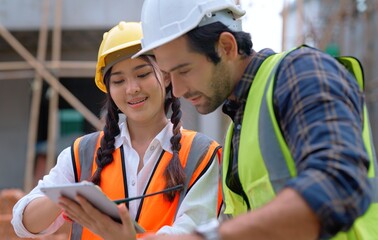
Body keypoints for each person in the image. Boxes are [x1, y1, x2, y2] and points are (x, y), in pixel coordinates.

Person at [131, 0, 378, 239]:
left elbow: (338, 183)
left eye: (184, 70)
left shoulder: (301, 72)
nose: (177, 90)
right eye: (168, 74)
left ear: (226, 47)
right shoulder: (240, 124)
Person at [11, 21, 222, 240]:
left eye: (142, 74)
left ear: (166, 76)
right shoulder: (83, 153)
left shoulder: (201, 154)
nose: (132, 89)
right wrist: (68, 197)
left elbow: (193, 232)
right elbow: (23, 223)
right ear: (109, 89)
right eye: (119, 80)